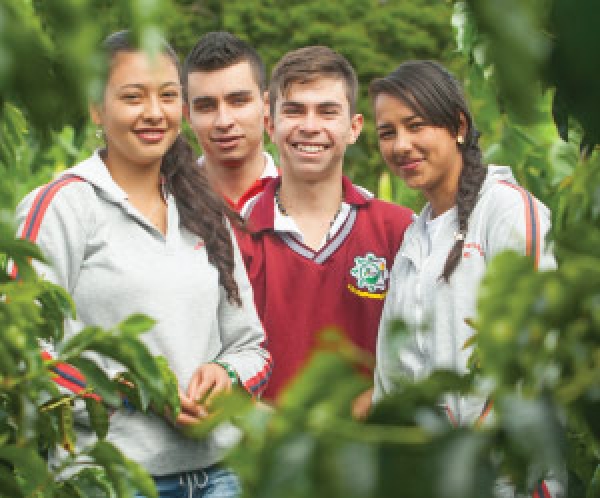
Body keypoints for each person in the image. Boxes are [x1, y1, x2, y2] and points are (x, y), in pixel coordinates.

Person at [14, 30, 271, 498]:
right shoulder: (63, 206)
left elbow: (251, 346)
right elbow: (22, 352)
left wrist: (226, 379)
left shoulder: (204, 210)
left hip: (218, 477)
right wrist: (140, 389)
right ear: (97, 108)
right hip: (110, 479)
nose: (154, 113)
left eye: (169, 96)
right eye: (133, 97)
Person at [370, 60, 562, 497]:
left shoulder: (507, 211)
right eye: (387, 133)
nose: (402, 145)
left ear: (458, 125)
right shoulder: (413, 240)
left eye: (415, 126)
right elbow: (393, 375)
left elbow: (533, 349)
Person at [237, 46, 413, 413]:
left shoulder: (399, 231)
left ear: (354, 128)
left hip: (373, 455)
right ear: (270, 124)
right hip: (264, 457)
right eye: (295, 110)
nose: (310, 126)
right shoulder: (232, 235)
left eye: (328, 112)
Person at [183, 31, 277, 216]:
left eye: (238, 101)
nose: (224, 121)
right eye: (206, 106)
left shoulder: (303, 198)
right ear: (188, 116)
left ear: (266, 105)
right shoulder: (166, 203)